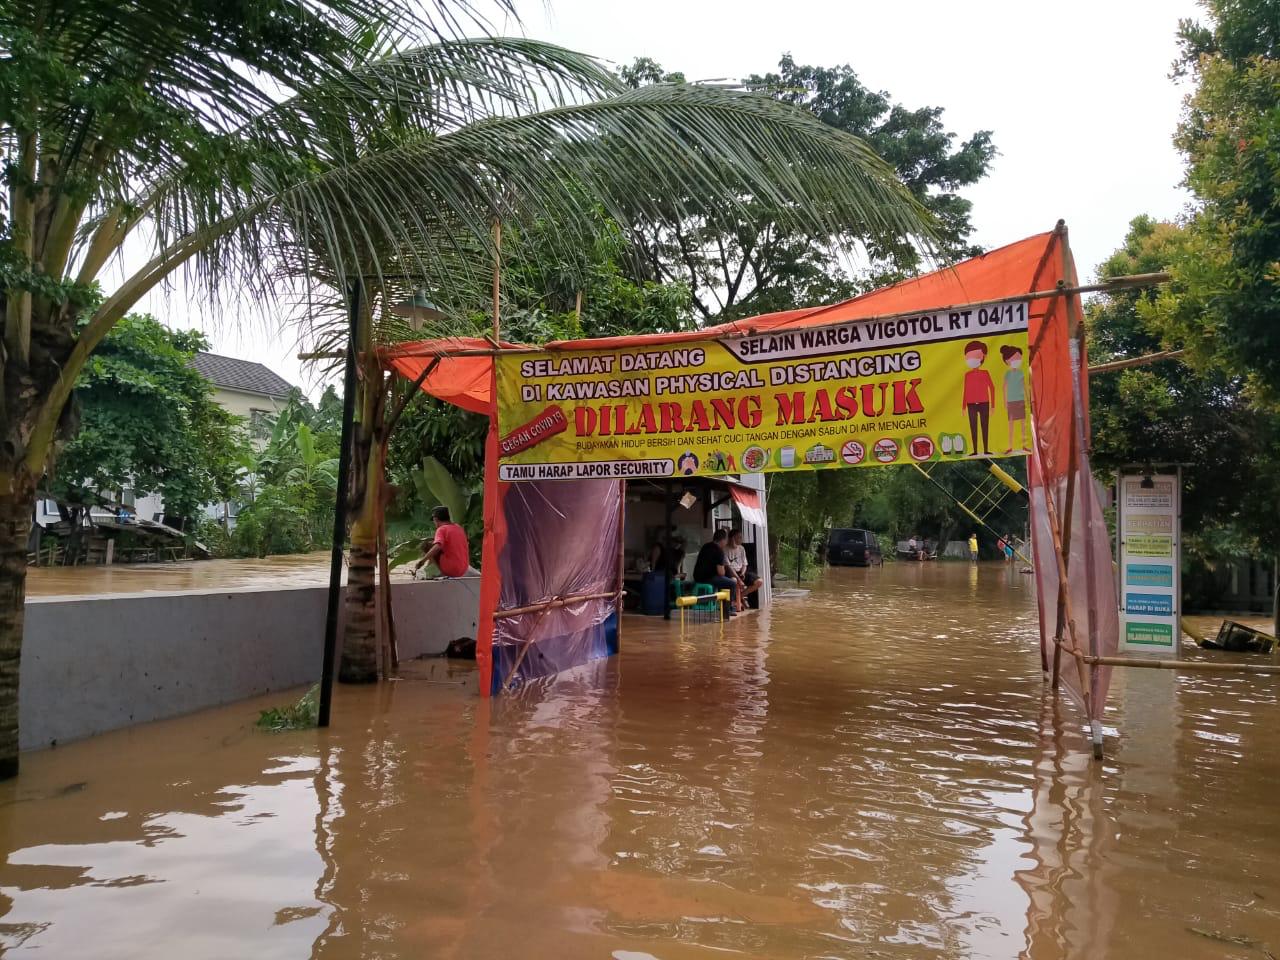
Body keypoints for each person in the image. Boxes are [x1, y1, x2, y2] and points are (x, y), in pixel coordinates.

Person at [414, 506, 478, 579]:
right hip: (463, 569)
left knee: (426, 545)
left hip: (451, 569)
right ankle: (435, 570)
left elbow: (437, 546)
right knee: (434, 543)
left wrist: (422, 561)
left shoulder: (442, 529)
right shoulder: (458, 527)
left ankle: (441, 572)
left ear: (436, 519)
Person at [961, 340, 995, 457]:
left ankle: (986, 449)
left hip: (984, 403)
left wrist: (993, 406)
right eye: (969, 357)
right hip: (971, 404)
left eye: (975, 356)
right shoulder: (967, 375)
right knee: (973, 427)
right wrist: (963, 407)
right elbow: (965, 390)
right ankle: (975, 450)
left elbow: (992, 388)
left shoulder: (985, 373)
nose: (972, 360)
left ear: (983, 357)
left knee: (985, 426)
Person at [693, 528, 738, 617]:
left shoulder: (705, 546)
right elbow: (721, 573)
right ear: (723, 540)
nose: (726, 543)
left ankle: (721, 606)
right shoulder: (719, 551)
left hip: (697, 576)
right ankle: (727, 609)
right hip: (708, 578)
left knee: (723, 581)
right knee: (731, 583)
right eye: (726, 540)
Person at [1000, 344, 1029, 453]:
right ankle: (1010, 446)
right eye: (1015, 358)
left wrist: (1027, 399)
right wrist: (1005, 401)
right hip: (1011, 401)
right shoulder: (1007, 373)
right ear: (1007, 361)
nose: (1017, 361)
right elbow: (1004, 387)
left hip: (1020, 400)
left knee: (1023, 424)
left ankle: (1024, 446)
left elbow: (1024, 385)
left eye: (1019, 358)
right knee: (1011, 425)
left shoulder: (1021, 372)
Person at [725, 529, 762, 611]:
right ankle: (735, 602)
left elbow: (745, 564)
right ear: (733, 538)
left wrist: (742, 573)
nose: (741, 539)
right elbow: (728, 567)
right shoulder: (725, 549)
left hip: (741, 571)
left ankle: (738, 597)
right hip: (730, 572)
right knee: (734, 580)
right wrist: (739, 579)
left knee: (759, 581)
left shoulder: (741, 548)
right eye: (739, 537)